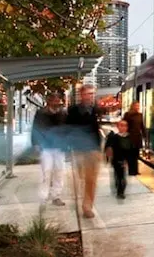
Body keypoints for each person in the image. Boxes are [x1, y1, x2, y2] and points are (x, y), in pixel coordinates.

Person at [66, 84, 102, 219]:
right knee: (80, 178)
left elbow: (97, 128)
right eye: (88, 93)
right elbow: (68, 129)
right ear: (82, 95)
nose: (91, 96)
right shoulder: (73, 110)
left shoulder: (95, 109)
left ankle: (87, 207)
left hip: (93, 149)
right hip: (79, 149)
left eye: (93, 94)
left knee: (91, 180)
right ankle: (81, 200)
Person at [31, 93, 67, 211]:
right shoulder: (41, 113)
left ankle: (56, 196)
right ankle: (43, 197)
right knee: (46, 172)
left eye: (58, 101)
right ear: (48, 101)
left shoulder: (63, 113)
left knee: (59, 171)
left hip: (59, 147)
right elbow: (35, 128)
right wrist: (36, 144)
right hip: (46, 147)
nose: (57, 103)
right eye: (55, 101)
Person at [104, 120, 132, 199]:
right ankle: (119, 188)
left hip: (124, 159)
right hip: (116, 159)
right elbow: (109, 148)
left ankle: (121, 191)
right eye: (121, 125)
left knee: (122, 176)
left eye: (125, 126)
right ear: (118, 127)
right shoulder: (114, 137)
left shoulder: (129, 137)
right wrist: (109, 156)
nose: (123, 128)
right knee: (118, 175)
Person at [122, 101, 145, 176]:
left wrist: (144, 134)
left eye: (138, 106)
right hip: (130, 137)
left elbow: (142, 126)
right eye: (136, 106)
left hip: (137, 137)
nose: (138, 107)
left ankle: (136, 170)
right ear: (133, 106)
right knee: (131, 155)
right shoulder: (127, 115)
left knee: (136, 154)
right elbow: (124, 124)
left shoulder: (140, 115)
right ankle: (131, 170)